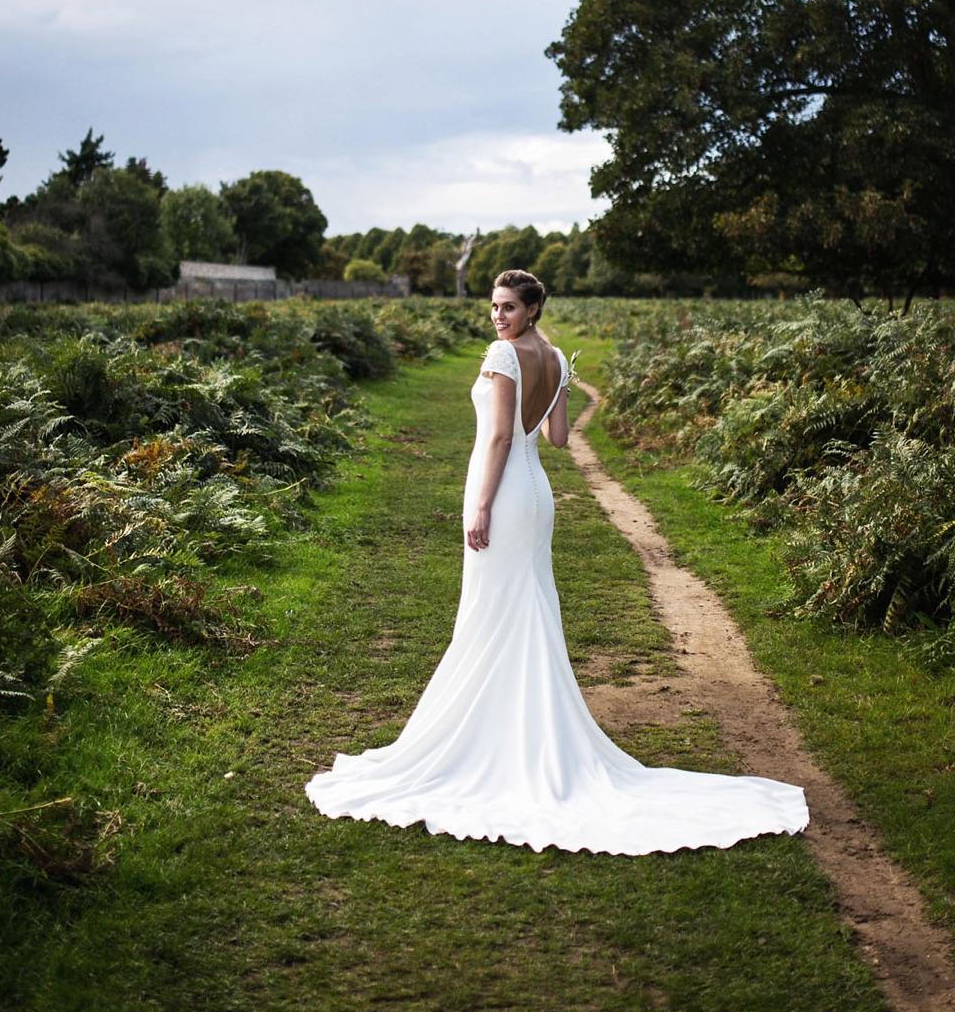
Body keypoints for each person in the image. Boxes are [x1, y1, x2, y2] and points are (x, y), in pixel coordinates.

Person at [306, 269, 808, 854]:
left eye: (509, 308)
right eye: (494, 308)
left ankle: (494, 743)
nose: (498, 317)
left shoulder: (504, 354)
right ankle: (523, 732)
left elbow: (498, 439)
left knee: (494, 612)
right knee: (522, 610)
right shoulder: (549, 356)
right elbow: (558, 440)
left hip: (505, 492)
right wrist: (562, 381)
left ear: (532, 308)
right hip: (536, 492)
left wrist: (481, 508)